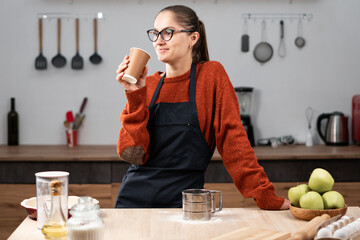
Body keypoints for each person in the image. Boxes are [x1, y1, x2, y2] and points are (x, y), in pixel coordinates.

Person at [115, 5, 290, 210]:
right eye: (155, 33)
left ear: (193, 38)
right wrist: (134, 95)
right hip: (134, 201)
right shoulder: (148, 85)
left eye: (168, 32)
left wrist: (263, 194)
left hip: (185, 204)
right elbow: (132, 154)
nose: (159, 40)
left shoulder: (211, 76)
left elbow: (233, 139)